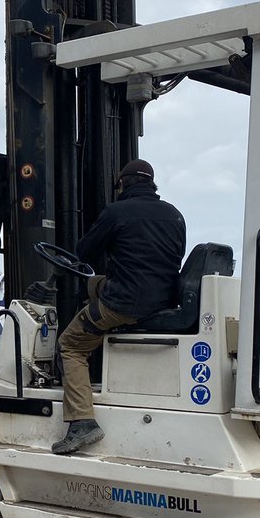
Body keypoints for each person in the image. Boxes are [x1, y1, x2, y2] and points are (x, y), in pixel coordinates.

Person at [53, 159, 186, 454]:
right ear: (151, 183)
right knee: (92, 284)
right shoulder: (175, 216)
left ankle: (82, 422)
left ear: (123, 183)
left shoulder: (117, 212)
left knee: (71, 344)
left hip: (124, 304)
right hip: (161, 299)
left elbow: (83, 252)